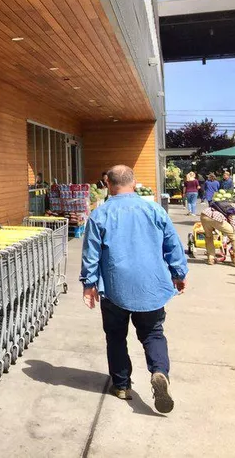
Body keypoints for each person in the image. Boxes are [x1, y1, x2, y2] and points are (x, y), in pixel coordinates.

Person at [81, 165, 187, 414]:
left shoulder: (101, 214)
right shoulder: (154, 209)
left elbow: (91, 254)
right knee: (153, 334)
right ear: (135, 183)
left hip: (115, 286)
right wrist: (179, 274)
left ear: (107, 184)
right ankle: (159, 372)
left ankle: (121, 386)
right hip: (151, 285)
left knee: (116, 337)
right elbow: (173, 244)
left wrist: (89, 284)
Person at [200, 200, 235, 267]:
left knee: (209, 236)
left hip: (204, 215)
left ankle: (211, 259)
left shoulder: (226, 205)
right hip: (216, 218)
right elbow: (234, 229)